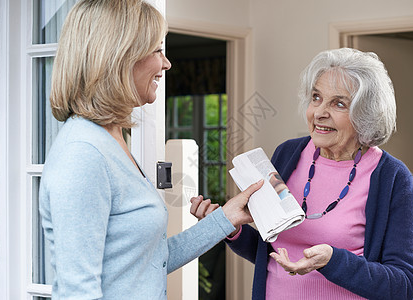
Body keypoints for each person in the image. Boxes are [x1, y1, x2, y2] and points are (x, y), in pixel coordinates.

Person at [38, 1, 262, 299]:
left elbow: (150, 262)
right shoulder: (84, 153)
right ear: (120, 57)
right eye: (158, 50)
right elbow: (76, 291)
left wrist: (227, 218)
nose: (167, 63)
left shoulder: (112, 141)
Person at [191, 48, 413, 299]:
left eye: (339, 103)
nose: (319, 112)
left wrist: (332, 261)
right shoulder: (288, 154)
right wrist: (231, 229)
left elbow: (405, 283)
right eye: (316, 97)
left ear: (365, 113)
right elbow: (272, 251)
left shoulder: (392, 177)